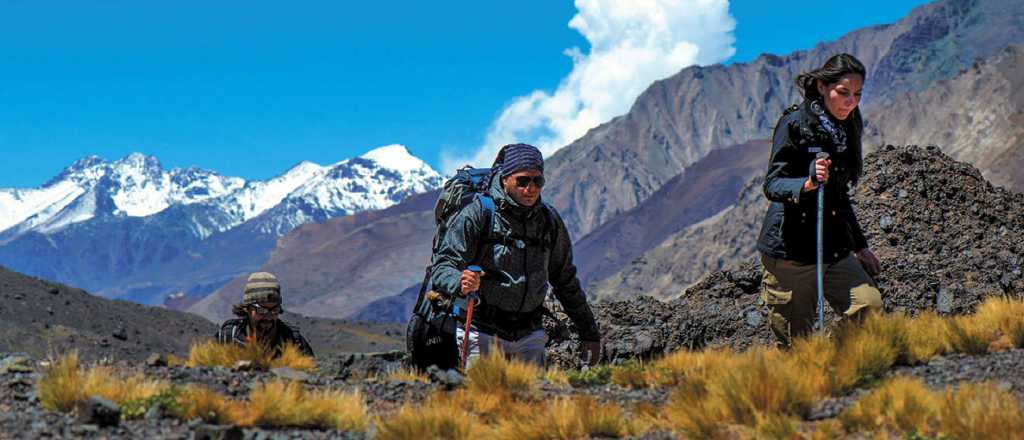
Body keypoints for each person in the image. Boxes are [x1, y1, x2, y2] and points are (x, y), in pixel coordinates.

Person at [430, 143, 602, 368]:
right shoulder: (478, 214)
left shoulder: (549, 221)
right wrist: (459, 282)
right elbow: (443, 265)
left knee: (531, 402)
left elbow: (565, 280)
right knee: (482, 402)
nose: (530, 188)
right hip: (481, 332)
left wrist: (589, 333)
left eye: (537, 181)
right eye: (522, 181)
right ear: (505, 179)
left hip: (530, 335)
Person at [756, 53, 884, 347]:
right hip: (789, 251)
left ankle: (840, 364)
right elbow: (772, 184)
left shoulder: (847, 128)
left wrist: (861, 247)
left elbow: (839, 196)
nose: (850, 102)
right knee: (797, 346)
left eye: (857, 94)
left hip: (832, 246)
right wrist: (808, 183)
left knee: (868, 310)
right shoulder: (794, 124)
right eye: (843, 93)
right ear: (822, 86)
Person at [215, 272, 315, 357]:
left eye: (274, 310)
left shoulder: (293, 340)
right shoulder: (228, 338)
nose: (268, 317)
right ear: (247, 309)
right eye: (261, 310)